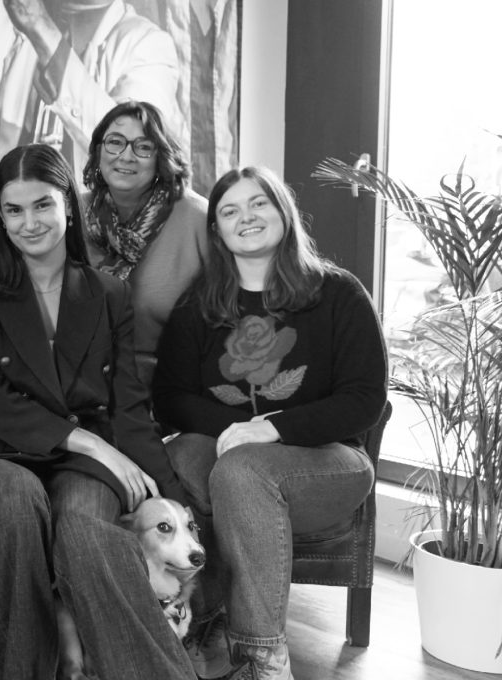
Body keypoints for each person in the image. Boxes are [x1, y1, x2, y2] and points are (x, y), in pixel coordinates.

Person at [0, 143, 195, 680]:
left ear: (67, 203)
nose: (29, 222)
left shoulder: (109, 293)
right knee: (15, 505)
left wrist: (171, 492)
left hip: (85, 465)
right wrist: (91, 442)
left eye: (42, 204)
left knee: (84, 528)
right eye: (14, 210)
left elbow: (129, 405)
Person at [152, 166, 387, 680]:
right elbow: (169, 399)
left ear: (283, 211)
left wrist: (272, 427)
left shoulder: (338, 294)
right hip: (226, 457)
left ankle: (262, 659)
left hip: (328, 461)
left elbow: (365, 400)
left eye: (258, 203)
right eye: (230, 210)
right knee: (178, 458)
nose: (247, 217)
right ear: (217, 230)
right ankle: (192, 620)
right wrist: (238, 431)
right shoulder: (198, 305)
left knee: (241, 472)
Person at [0, 0, 182, 245]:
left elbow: (129, 148)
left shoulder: (147, 44)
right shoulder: (3, 18)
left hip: (85, 253)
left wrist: (41, 30)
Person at [82, 99, 208, 383]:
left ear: (161, 157)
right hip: (81, 384)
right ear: (98, 150)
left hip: (173, 385)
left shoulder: (198, 219)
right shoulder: (71, 214)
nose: (126, 156)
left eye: (143, 147)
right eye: (115, 142)